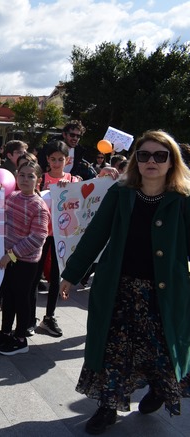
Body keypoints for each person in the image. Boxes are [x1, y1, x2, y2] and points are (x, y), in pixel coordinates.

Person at [59, 130, 190, 435]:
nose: (151, 161)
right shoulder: (120, 193)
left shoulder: (183, 200)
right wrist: (72, 274)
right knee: (113, 350)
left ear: (172, 161)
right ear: (136, 160)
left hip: (164, 293)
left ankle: (158, 389)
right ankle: (107, 407)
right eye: (144, 155)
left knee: (160, 349)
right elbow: (95, 234)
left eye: (160, 155)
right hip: (119, 289)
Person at [0, 161, 49, 355]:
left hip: (24, 262)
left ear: (38, 180)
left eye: (31, 176)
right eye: (22, 175)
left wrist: (12, 254)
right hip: (7, 258)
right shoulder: (12, 197)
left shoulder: (39, 206)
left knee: (21, 299)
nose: (25, 179)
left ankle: (20, 339)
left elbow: (38, 237)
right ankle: (5, 332)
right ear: (16, 177)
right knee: (8, 297)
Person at [28, 141, 81, 337]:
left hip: (62, 236)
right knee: (35, 277)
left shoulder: (74, 180)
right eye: (53, 159)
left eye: (61, 159)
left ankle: (49, 317)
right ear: (47, 160)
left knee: (56, 279)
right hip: (40, 234)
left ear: (67, 160)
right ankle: (29, 317)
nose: (57, 163)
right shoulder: (40, 179)